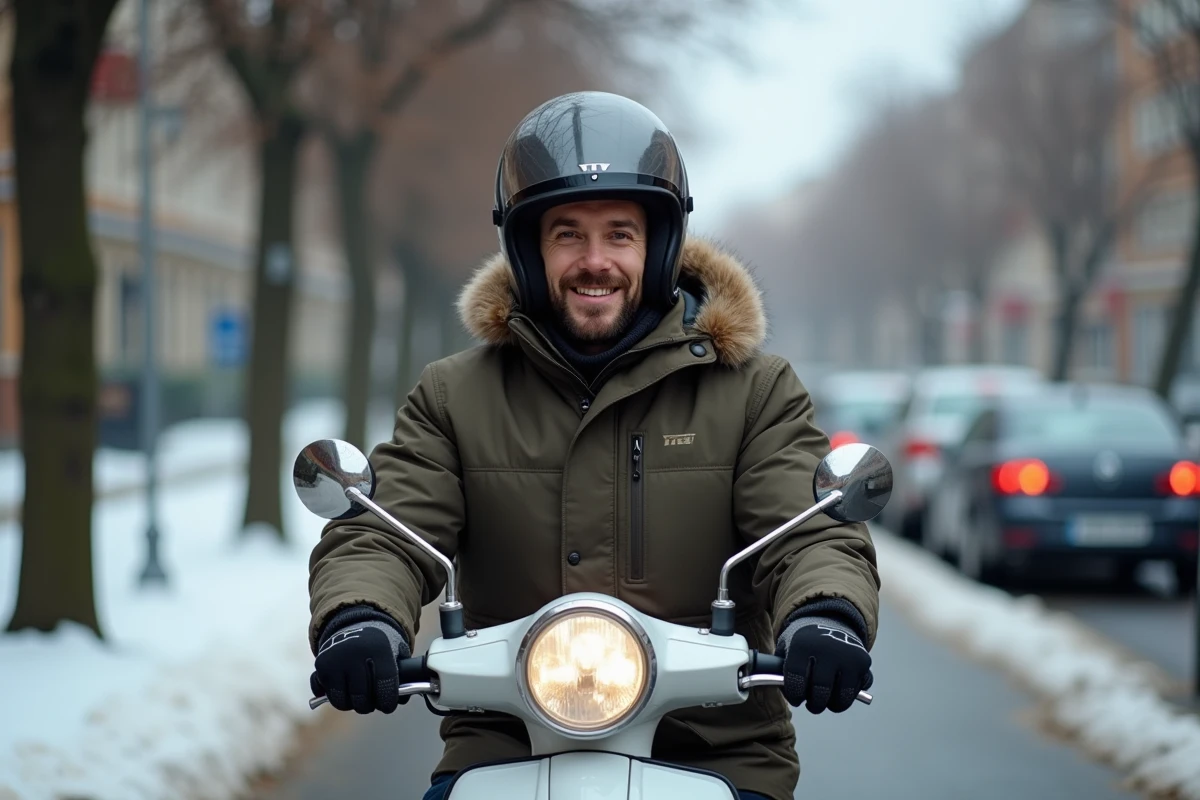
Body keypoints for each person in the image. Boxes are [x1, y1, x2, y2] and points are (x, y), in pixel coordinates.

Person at [306, 91, 880, 800]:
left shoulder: (753, 390)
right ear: (528, 248)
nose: (595, 261)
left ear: (660, 246)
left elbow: (809, 528)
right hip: (504, 744)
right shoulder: (455, 395)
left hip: (713, 751)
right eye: (567, 235)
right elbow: (387, 531)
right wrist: (359, 617)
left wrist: (825, 612)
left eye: (620, 234)